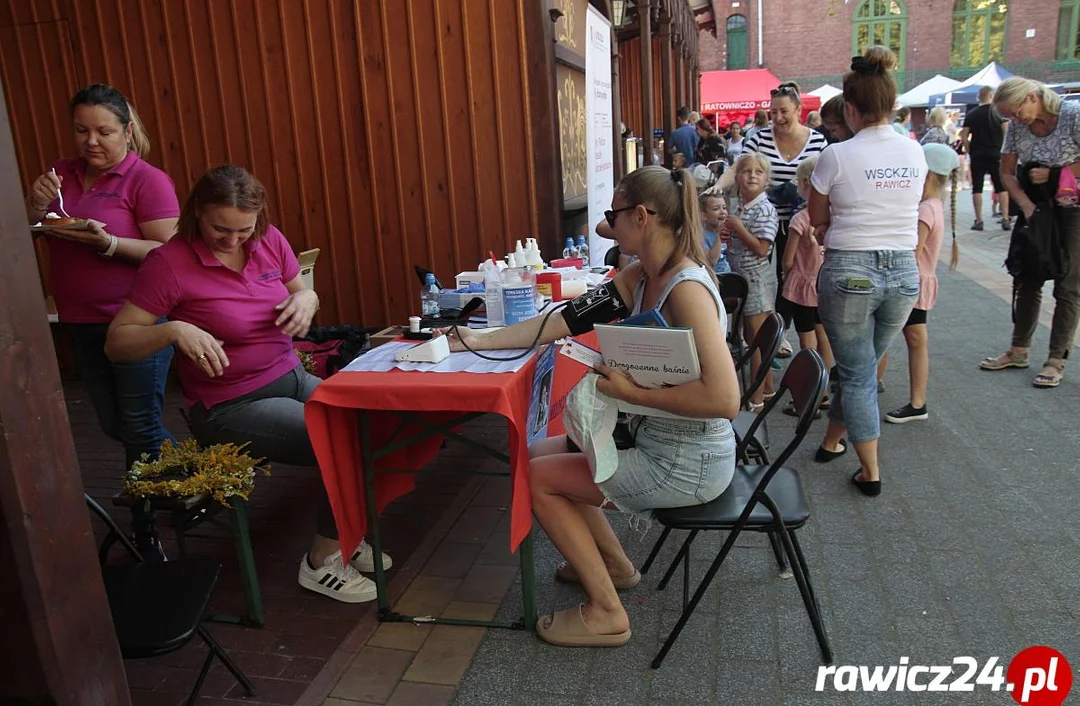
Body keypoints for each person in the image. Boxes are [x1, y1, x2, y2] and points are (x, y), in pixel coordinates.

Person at [439, 166, 739, 647]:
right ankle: (617, 568)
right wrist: (476, 339)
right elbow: (562, 321)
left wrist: (631, 394)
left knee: (541, 481)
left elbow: (725, 400)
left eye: (613, 215)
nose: (606, 225)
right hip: (654, 438)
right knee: (535, 457)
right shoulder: (642, 275)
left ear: (640, 217)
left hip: (687, 461)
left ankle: (607, 612)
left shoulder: (685, 290)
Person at [105, 165, 391, 603]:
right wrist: (173, 330)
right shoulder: (169, 264)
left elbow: (304, 289)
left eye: (244, 229)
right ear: (197, 212)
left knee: (376, 426)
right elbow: (117, 343)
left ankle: (346, 536)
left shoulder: (268, 238)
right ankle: (322, 562)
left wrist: (306, 299)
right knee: (343, 438)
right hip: (228, 405)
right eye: (221, 229)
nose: (234, 240)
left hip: (290, 375)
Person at [24, 84, 179, 478]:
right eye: (81, 130)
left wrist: (108, 243)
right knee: (115, 425)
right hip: (79, 319)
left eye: (104, 132)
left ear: (127, 132)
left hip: (136, 320)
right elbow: (30, 230)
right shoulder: (62, 173)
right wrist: (35, 206)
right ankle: (200, 476)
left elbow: (169, 253)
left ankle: (148, 525)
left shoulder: (147, 180)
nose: (90, 141)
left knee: (140, 426)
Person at [809, 47, 926, 497]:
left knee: (857, 372)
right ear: (893, 105)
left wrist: (829, 229)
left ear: (851, 108)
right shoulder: (914, 152)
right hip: (902, 272)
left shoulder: (837, 154)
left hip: (850, 270)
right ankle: (832, 440)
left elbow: (817, 218)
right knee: (862, 368)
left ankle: (870, 471)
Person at [979, 77, 1080, 389]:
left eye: (1016, 111)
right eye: (1009, 115)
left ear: (1034, 96)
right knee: (1028, 276)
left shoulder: (1073, 116)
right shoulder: (1019, 126)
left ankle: (1055, 359)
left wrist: (1055, 173)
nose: (1015, 119)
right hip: (1035, 207)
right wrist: (1023, 203)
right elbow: (1006, 171)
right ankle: (1019, 350)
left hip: (1072, 208)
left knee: (1067, 283)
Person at [743, 81, 828, 350]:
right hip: (765, 222)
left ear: (799, 110)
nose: (777, 118)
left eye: (784, 111)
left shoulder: (818, 140)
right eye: (773, 112)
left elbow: (827, 182)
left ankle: (786, 333)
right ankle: (774, 334)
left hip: (805, 224)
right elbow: (742, 170)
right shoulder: (758, 137)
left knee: (798, 279)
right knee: (765, 281)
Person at [882, 143, 960, 424]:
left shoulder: (925, 210)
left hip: (909, 281)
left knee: (892, 337)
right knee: (912, 340)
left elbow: (911, 251)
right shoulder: (934, 206)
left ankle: (915, 401)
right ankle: (916, 400)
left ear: (925, 175)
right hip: (918, 281)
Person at [726, 153, 781, 409]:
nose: (752, 176)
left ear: (766, 180)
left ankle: (756, 398)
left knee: (758, 340)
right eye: (747, 172)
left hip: (757, 280)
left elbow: (762, 248)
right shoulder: (741, 206)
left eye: (758, 172)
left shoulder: (764, 209)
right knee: (751, 336)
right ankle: (766, 387)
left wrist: (738, 228)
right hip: (743, 279)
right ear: (737, 178)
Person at [780, 156, 833, 415]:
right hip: (825, 285)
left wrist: (785, 274)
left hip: (802, 288)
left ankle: (810, 394)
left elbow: (788, 260)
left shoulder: (800, 219)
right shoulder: (833, 215)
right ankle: (824, 391)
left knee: (807, 342)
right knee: (824, 339)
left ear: (803, 184)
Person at [960, 85, 1012, 232]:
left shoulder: (972, 114)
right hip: (996, 154)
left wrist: (970, 150)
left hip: (978, 155)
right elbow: (1006, 132)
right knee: (1001, 186)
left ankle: (979, 220)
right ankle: (1006, 218)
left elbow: (964, 136)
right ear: (992, 96)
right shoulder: (999, 113)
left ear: (979, 97)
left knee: (977, 187)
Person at [700, 189, 731, 274]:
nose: (723, 212)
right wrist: (719, 235)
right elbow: (711, 261)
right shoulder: (701, 236)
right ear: (703, 215)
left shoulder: (728, 233)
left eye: (724, 208)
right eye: (716, 209)